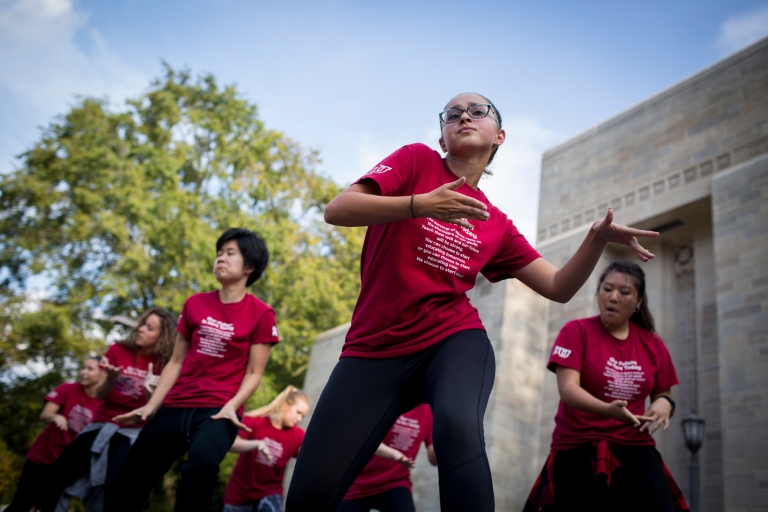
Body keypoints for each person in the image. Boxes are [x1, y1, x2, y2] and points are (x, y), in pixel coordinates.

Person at [285, 93, 659, 512]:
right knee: (307, 497)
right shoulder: (415, 161)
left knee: (458, 425)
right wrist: (420, 204)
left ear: (498, 135)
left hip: (452, 340)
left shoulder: (495, 223)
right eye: (452, 114)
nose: (464, 115)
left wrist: (596, 239)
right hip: (373, 349)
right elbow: (338, 210)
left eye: (477, 111)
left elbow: (557, 287)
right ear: (443, 139)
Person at [109, 228, 279, 512]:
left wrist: (232, 407)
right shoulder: (195, 304)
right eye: (219, 253)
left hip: (219, 409)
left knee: (199, 464)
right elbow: (175, 361)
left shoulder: (261, 313)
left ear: (249, 266)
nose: (220, 259)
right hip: (176, 404)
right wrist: (151, 405)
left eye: (230, 253)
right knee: (130, 476)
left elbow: (254, 373)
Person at [523, 260, 689, 512]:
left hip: (634, 444)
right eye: (607, 289)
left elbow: (663, 392)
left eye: (624, 293)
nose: (613, 297)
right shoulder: (575, 331)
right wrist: (607, 409)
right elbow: (568, 389)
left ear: (638, 302)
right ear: (598, 292)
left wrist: (665, 404)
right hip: (577, 444)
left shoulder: (653, 343)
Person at [39, 307, 177, 512]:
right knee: (59, 473)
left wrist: (150, 390)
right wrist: (111, 380)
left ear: (163, 336)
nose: (141, 329)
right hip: (102, 422)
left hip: (133, 430)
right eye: (142, 324)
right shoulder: (118, 350)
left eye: (149, 328)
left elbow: (154, 410)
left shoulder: (166, 363)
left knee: (116, 483)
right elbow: (100, 395)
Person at [5, 357, 104, 512]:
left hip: (67, 464)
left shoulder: (104, 404)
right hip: (42, 455)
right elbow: (45, 414)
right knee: (22, 503)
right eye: (83, 368)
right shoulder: (67, 389)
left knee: (50, 506)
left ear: (103, 375)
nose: (83, 372)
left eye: (90, 369)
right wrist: (56, 416)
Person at [223, 386, 310, 512]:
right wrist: (257, 444)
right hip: (239, 494)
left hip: (270, 492)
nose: (299, 419)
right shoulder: (255, 421)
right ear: (286, 404)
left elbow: (308, 458)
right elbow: (231, 445)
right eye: (298, 412)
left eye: (303, 415)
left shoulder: (298, 435)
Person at [338, 404, 436, 512]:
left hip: (395, 482)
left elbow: (433, 459)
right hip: (356, 483)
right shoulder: (388, 397)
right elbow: (362, 438)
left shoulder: (430, 410)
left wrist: (442, 448)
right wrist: (395, 454)